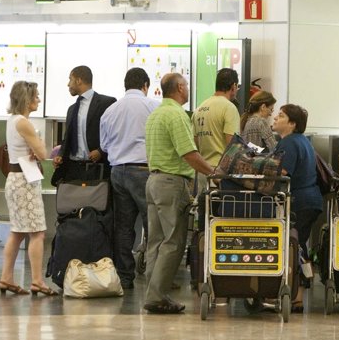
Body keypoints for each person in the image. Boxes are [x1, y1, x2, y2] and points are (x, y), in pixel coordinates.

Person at [143, 73, 214, 314]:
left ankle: (152, 292)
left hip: (153, 180)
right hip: (172, 183)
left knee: (156, 241)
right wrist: (213, 172)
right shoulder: (177, 115)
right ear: (180, 88)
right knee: (173, 241)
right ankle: (157, 295)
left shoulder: (156, 114)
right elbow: (189, 153)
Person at [99, 68, 160, 290]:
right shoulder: (153, 106)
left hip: (117, 172)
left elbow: (104, 146)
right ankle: (156, 277)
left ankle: (125, 276)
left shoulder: (111, 110)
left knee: (123, 226)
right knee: (152, 224)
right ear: (145, 85)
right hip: (144, 171)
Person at [0, 81, 58, 296]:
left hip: (14, 179)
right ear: (27, 99)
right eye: (36, 97)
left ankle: (6, 278)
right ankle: (37, 280)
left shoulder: (12, 120)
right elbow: (43, 153)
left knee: (17, 232)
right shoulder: (24, 123)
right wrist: (39, 142)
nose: (39, 100)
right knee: (38, 233)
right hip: (25, 182)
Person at [272, 104, 323, 313]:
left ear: (292, 124)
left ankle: (296, 297)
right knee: (299, 245)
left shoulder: (289, 143)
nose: (275, 118)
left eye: (281, 116)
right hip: (311, 201)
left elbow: (282, 172)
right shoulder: (303, 141)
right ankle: (299, 294)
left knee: (293, 247)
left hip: (299, 202)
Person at [52, 66, 116, 185]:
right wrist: (60, 155)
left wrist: (101, 151)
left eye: (70, 79)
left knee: (94, 204)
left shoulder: (106, 103)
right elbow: (67, 139)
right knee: (70, 203)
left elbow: (114, 133)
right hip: (72, 169)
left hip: (96, 169)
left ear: (79, 80)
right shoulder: (71, 109)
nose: (68, 84)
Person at [193, 68, 241, 167]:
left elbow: (195, 143)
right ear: (234, 86)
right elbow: (232, 145)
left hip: (202, 170)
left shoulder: (199, 109)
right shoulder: (229, 108)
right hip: (220, 171)